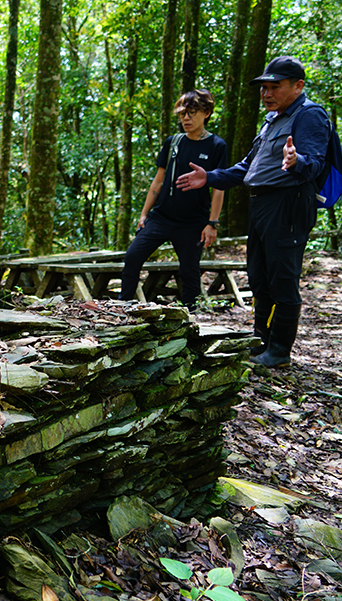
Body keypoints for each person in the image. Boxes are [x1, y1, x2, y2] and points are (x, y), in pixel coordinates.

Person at [175, 56, 330, 368]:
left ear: (298, 86)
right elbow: (248, 167)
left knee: (282, 277)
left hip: (288, 202)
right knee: (259, 276)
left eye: (275, 87)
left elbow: (315, 162)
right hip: (260, 203)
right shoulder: (272, 119)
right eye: (263, 87)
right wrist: (209, 177)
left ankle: (280, 349)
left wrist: (296, 161)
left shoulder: (309, 115)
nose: (266, 93)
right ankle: (261, 340)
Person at [120, 89, 227, 310]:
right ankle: (124, 307)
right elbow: (158, 181)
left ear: (206, 113)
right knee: (132, 257)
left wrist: (212, 223)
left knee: (189, 272)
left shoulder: (217, 146)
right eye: (182, 114)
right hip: (161, 217)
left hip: (193, 223)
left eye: (192, 113)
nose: (185, 118)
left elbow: (219, 188)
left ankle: (190, 319)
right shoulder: (173, 142)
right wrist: (144, 214)